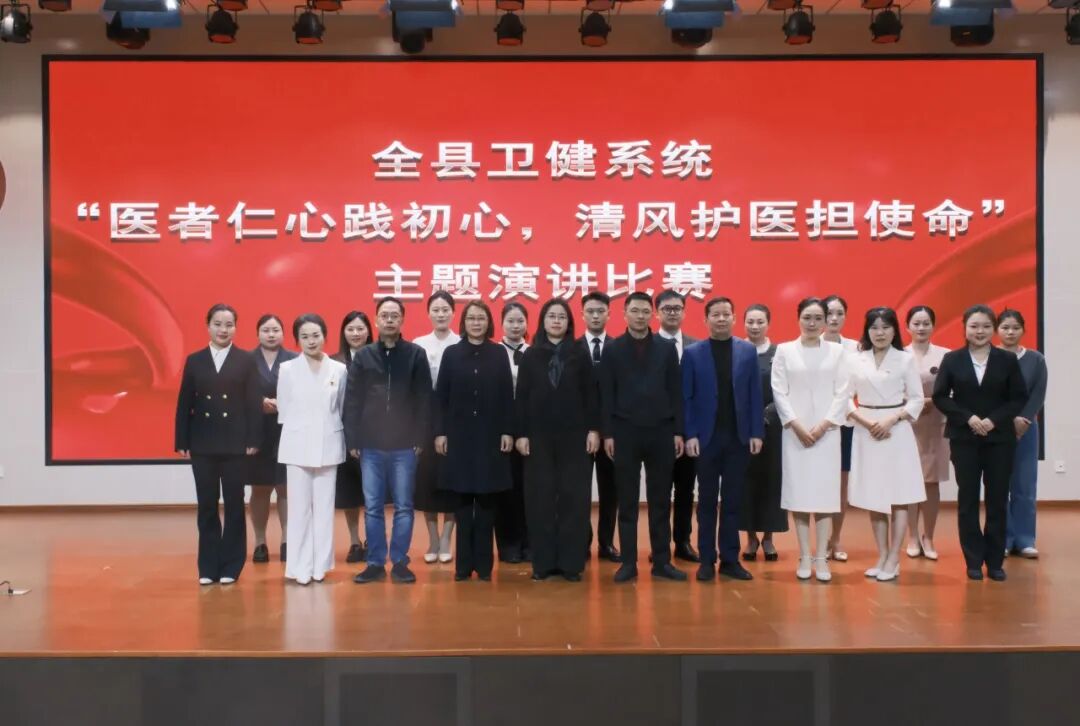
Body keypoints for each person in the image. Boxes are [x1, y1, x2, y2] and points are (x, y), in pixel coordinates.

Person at [933, 304, 1027, 582]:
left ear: (993, 329)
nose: (980, 331)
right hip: (965, 439)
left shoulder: (1007, 360)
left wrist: (994, 420)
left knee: (997, 500)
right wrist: (968, 418)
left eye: (986, 326)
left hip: (1000, 439)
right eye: (974, 326)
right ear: (965, 328)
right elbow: (941, 397)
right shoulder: (952, 359)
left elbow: (1018, 398)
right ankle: (973, 560)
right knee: (968, 500)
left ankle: (995, 561)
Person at [599, 292, 686, 583]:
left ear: (652, 314)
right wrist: (608, 433)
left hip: (661, 432)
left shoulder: (666, 348)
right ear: (624, 314)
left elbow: (676, 392)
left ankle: (662, 561)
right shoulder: (613, 349)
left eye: (645, 311)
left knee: (660, 501)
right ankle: (628, 563)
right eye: (634, 311)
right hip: (625, 432)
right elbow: (606, 394)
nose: (640, 316)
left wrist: (678, 431)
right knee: (627, 501)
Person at [345, 297, 432, 585]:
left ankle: (400, 562)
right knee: (372, 507)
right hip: (370, 444)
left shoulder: (416, 354)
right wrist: (353, 439)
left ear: (402, 319)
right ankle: (374, 563)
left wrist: (420, 438)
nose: (390, 320)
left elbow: (424, 399)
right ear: (376, 319)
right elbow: (353, 400)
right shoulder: (364, 356)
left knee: (404, 506)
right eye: (385, 315)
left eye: (395, 315)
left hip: (405, 445)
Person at [174, 303, 262, 585]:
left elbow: (253, 404)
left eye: (229, 325)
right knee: (207, 505)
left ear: (236, 327)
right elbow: (185, 402)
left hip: (236, 444)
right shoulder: (195, 360)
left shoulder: (246, 360)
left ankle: (231, 565)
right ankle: (208, 566)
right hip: (203, 442)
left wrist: (253, 439)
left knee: (235, 504)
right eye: (218, 324)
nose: (223, 330)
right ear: (208, 326)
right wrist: (182, 439)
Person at [515, 299, 600, 582]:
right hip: (538, 438)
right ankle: (543, 562)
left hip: (575, 438)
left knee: (573, 499)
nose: (556, 321)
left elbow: (591, 395)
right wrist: (521, 434)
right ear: (543, 321)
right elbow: (522, 397)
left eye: (561, 317)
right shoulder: (530, 355)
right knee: (539, 499)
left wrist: (593, 430)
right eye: (551, 316)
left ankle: (571, 563)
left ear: (569, 322)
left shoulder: (580, 353)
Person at [682, 297, 764, 582]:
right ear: (706, 319)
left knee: (733, 501)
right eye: (715, 314)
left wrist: (756, 432)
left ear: (734, 318)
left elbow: (755, 394)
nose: (720, 319)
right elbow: (686, 398)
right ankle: (706, 559)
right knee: (706, 501)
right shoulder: (693, 353)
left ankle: (730, 559)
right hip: (706, 440)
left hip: (738, 439)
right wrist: (690, 434)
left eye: (725, 314)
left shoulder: (747, 351)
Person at [434, 301, 515, 581]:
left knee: (487, 504)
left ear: (488, 322)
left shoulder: (498, 353)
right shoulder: (452, 354)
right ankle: (462, 566)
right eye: (471, 318)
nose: (476, 323)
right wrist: (440, 432)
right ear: (464, 322)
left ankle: (483, 566)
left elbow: (507, 396)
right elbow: (441, 397)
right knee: (462, 503)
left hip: (491, 437)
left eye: (481, 318)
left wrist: (507, 431)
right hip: (459, 437)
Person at [771, 297, 850, 583]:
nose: (813, 323)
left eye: (818, 318)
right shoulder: (784, 350)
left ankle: (821, 558)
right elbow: (779, 391)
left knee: (825, 497)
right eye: (807, 317)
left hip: (827, 433)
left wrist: (825, 424)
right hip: (795, 433)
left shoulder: (837, 352)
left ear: (826, 320)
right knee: (800, 495)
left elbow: (843, 392)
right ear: (798, 319)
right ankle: (804, 555)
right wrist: (796, 424)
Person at [845, 308, 926, 583]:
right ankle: (881, 555)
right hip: (866, 429)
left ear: (894, 330)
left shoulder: (905, 359)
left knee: (899, 495)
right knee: (874, 496)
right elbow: (844, 398)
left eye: (885, 327)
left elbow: (916, 399)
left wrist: (892, 419)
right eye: (874, 327)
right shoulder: (855, 359)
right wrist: (866, 422)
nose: (879, 333)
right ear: (867, 330)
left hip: (896, 431)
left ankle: (894, 557)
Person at [277, 314, 347, 586]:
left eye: (316, 335)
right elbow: (284, 409)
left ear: (324, 336)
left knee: (324, 509)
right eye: (304, 336)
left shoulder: (338, 370)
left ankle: (320, 566)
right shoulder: (287, 369)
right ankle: (299, 566)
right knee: (299, 510)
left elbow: (340, 407)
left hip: (329, 444)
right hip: (296, 447)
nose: (311, 341)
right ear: (297, 340)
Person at [413, 291, 461, 564]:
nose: (441, 314)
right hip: (426, 419)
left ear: (453, 313)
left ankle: (446, 539)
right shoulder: (418, 345)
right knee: (427, 482)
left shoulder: (461, 343)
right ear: (428, 313)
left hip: (455, 419)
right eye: (436, 309)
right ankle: (432, 539)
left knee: (452, 482)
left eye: (445, 309)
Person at [997, 309, 1048, 559]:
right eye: (1005, 327)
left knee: (1025, 485)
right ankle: (1004, 539)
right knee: (999, 485)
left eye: (1015, 327)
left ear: (1023, 330)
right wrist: (1006, 420)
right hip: (997, 428)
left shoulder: (1036, 359)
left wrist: (1024, 420)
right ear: (997, 330)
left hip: (1027, 429)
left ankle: (1025, 539)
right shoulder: (990, 357)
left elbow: (1038, 393)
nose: (1010, 332)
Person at [655, 290, 701, 563]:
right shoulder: (647, 345)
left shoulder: (697, 347)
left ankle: (683, 542)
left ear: (684, 312)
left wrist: (687, 431)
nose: (672, 313)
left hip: (690, 431)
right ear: (657, 312)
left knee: (686, 491)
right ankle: (660, 546)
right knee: (660, 492)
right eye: (667, 308)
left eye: (677, 308)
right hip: (659, 432)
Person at [740, 303, 788, 561]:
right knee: (745, 482)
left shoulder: (779, 353)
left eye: (760, 322)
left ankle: (769, 537)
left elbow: (786, 389)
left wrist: (767, 413)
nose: (755, 326)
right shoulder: (737, 350)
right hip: (742, 427)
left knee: (772, 481)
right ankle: (750, 538)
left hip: (774, 426)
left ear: (768, 324)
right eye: (750, 321)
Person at [249, 314, 296, 564]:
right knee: (260, 488)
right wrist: (258, 402)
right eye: (266, 330)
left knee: (285, 487)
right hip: (257, 431)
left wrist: (283, 403)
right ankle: (260, 542)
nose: (271, 334)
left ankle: (287, 540)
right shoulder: (246, 360)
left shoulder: (294, 360)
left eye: (275, 330)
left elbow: (303, 393)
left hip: (286, 430)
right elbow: (238, 392)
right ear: (258, 333)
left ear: (283, 333)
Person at [904, 305, 950, 561]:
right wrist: (912, 404)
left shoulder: (946, 355)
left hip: (935, 423)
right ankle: (912, 536)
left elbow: (954, 390)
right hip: (906, 424)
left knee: (931, 483)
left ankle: (929, 537)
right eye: (916, 323)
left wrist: (932, 401)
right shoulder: (899, 355)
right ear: (907, 327)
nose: (921, 328)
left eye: (926, 323)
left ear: (933, 325)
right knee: (910, 481)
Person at [579, 291, 620, 563]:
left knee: (610, 491)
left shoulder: (619, 348)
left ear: (608, 314)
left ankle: (607, 543)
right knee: (579, 491)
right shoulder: (572, 349)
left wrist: (608, 431)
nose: (595, 316)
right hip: (580, 434)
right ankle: (581, 542)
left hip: (611, 434)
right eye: (590, 311)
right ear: (582, 314)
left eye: (600, 311)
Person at [330, 311, 372, 565]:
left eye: (360, 328)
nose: (356, 334)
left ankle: (372, 539)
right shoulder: (333, 363)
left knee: (372, 492)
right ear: (343, 333)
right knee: (350, 492)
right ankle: (355, 541)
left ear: (369, 331)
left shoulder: (379, 358)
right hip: (342, 435)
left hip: (373, 434)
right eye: (350, 329)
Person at [822, 294, 858, 563]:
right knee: (821, 483)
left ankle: (835, 539)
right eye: (829, 313)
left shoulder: (856, 348)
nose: (834, 319)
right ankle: (821, 540)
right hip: (818, 424)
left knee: (841, 485)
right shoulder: (811, 344)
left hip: (846, 422)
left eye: (839, 313)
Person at [496, 302, 530, 564]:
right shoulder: (493, 353)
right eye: (510, 321)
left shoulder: (535, 353)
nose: (515, 326)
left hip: (529, 430)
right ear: (502, 324)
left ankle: (529, 543)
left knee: (529, 489)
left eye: (520, 321)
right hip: (501, 431)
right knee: (505, 490)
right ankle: (508, 545)